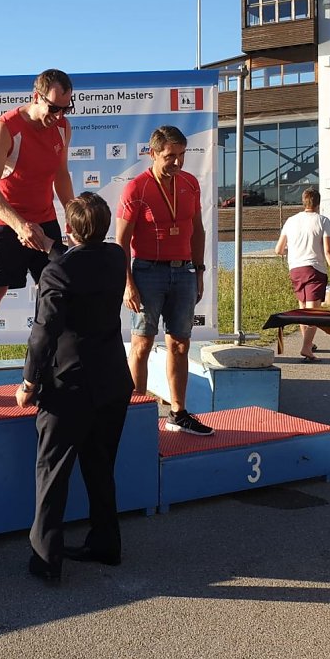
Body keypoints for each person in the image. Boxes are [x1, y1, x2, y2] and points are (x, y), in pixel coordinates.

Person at [16, 193, 133, 582]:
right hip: (112, 382)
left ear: (69, 228)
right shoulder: (116, 257)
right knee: (101, 468)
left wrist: (29, 381)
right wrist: (51, 246)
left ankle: (46, 560)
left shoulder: (58, 273)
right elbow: (81, 260)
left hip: (69, 387)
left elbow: (42, 334)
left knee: (51, 471)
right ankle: (106, 544)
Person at [0, 69, 75, 406]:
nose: (59, 116)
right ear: (36, 97)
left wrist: (74, 218)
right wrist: (20, 225)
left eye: (66, 108)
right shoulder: (6, 128)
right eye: (54, 108)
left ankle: (46, 374)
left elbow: (61, 175)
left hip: (45, 220)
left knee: (60, 294)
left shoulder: (63, 128)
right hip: (5, 221)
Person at [115, 125, 212, 436]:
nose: (178, 163)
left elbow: (197, 230)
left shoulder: (190, 184)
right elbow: (121, 243)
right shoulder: (136, 189)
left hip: (183, 271)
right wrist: (128, 283)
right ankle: (136, 413)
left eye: (182, 155)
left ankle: (178, 412)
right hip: (147, 273)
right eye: (171, 156)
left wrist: (199, 270)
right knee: (142, 344)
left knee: (180, 344)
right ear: (152, 153)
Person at [275, 187, 330, 361]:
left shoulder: (291, 220)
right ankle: (306, 348)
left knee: (303, 308)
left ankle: (308, 342)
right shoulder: (322, 221)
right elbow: (328, 251)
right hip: (314, 269)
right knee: (313, 312)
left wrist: (296, 250)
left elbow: (279, 249)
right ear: (318, 204)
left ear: (303, 202)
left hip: (296, 269)